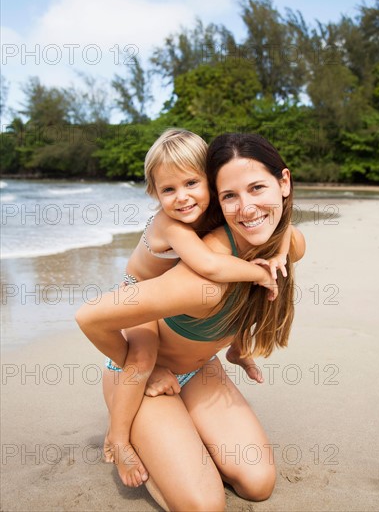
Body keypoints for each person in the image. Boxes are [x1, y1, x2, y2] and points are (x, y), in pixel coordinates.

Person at [76, 133, 305, 511]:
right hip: (140, 368)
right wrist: (255, 272)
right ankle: (120, 439)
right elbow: (89, 316)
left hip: (198, 369)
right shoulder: (200, 276)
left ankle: (180, 436)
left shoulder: (286, 245)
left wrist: (278, 250)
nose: (246, 207)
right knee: (205, 506)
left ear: (284, 183)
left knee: (257, 483)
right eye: (232, 195)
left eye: (257, 189)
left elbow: (288, 235)